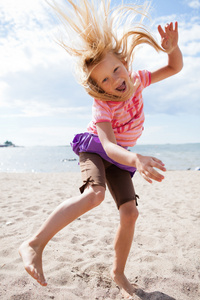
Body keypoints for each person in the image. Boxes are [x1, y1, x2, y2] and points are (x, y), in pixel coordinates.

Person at [19, 0, 183, 298]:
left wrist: (171, 47)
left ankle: (118, 272)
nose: (115, 81)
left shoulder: (139, 79)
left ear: (125, 63)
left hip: (120, 157)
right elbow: (106, 144)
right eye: (105, 80)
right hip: (96, 149)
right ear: (98, 88)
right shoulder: (103, 105)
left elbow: (174, 66)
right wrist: (136, 157)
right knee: (95, 195)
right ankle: (34, 243)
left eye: (117, 70)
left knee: (130, 213)